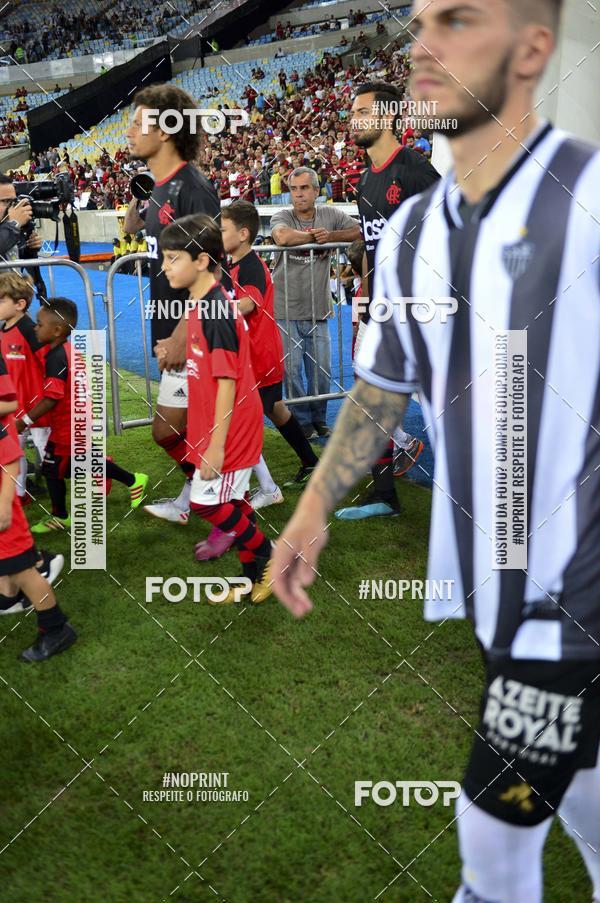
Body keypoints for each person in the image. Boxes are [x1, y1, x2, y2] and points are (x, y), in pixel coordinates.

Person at [272, 1, 600, 901]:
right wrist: (309, 511)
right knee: (587, 806)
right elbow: (380, 389)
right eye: (420, 23)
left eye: (458, 20)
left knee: (492, 844)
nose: (423, 46)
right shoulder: (414, 229)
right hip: (497, 580)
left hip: (573, 594)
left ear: (534, 47)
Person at [334, 80, 440, 521]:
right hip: (380, 308)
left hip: (422, 313)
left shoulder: (415, 170)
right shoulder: (364, 181)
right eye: (352, 111)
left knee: (445, 413)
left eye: (363, 111)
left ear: (390, 117)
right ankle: (384, 497)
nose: (354, 119)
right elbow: (375, 251)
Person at [195, 201, 321, 561]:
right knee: (277, 410)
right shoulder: (234, 264)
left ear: (243, 234)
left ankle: (265, 490)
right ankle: (309, 461)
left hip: (258, 359)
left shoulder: (250, 265)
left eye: (224, 229)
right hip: (257, 356)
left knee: (236, 428)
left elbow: (247, 305)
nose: (220, 235)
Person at [159, 214, 274, 605]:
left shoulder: (217, 310)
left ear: (203, 261)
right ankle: (252, 579)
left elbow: (228, 383)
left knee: (205, 502)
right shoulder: (200, 303)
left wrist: (216, 446)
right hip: (213, 426)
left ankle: (269, 556)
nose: (164, 266)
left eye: (174, 258)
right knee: (236, 504)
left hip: (231, 429)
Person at [123, 84, 220, 526]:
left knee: (167, 430)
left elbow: (212, 272)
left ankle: (214, 497)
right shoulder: (159, 188)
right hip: (171, 329)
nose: (128, 131)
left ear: (165, 130)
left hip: (194, 334)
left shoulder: (192, 189)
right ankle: (204, 492)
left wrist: (181, 334)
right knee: (194, 427)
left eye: (137, 122)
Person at [16, 298, 148, 533]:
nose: (35, 328)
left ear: (56, 330)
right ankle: (132, 479)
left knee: (52, 470)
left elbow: (51, 398)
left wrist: (23, 421)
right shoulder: (66, 350)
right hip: (77, 421)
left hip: (69, 426)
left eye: (39, 324)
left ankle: (61, 516)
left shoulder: (57, 357)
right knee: (69, 466)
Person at [270, 166, 360, 457]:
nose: (298, 195)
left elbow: (358, 230)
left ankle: (319, 420)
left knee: (322, 371)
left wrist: (331, 235)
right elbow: (282, 237)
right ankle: (303, 423)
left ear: (316, 190)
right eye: (294, 190)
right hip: (285, 307)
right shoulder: (282, 215)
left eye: (304, 188)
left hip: (319, 308)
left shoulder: (330, 215)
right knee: (292, 372)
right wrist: (314, 238)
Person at [0, 349, 74, 661]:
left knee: (24, 570)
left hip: (2, 509)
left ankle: (55, 628)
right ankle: (9, 593)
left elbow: (9, 460)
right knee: (11, 567)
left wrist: (5, 504)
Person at [0, 272, 50, 500]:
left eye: (1, 300)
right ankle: (20, 495)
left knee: (54, 457)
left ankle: (105, 472)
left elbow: (50, 362)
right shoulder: (3, 330)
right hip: (15, 409)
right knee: (13, 454)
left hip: (39, 407)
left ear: (20, 304)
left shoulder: (30, 329)